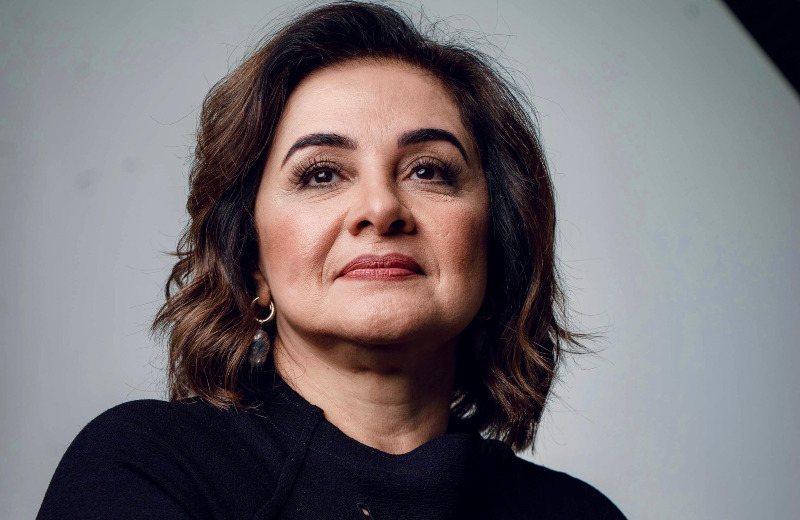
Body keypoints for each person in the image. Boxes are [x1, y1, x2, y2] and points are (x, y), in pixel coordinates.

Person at [37, 2, 625, 519]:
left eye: (428, 170)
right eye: (321, 174)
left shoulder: (581, 514)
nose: (381, 208)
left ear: (497, 239)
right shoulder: (146, 467)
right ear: (250, 259)